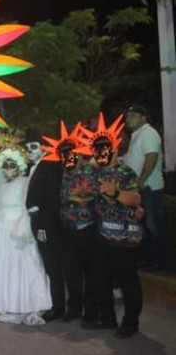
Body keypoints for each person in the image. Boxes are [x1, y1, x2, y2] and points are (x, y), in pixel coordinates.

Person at [0, 141, 52, 325]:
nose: (8, 169)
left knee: (18, 270)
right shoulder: (0, 186)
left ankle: (19, 303)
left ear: (19, 166)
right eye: (5, 166)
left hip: (16, 232)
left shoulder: (25, 183)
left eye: (12, 165)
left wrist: (23, 227)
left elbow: (27, 207)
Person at [82, 113, 144, 338]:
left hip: (125, 238)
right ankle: (108, 318)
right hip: (103, 235)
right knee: (98, 278)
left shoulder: (125, 172)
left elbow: (136, 199)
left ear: (114, 148)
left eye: (104, 147)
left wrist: (115, 192)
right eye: (96, 149)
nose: (99, 152)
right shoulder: (96, 173)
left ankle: (130, 323)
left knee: (128, 281)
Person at [42, 122, 99, 325]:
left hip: (88, 230)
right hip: (68, 232)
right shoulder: (64, 177)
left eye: (71, 153)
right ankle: (74, 308)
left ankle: (91, 313)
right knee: (72, 274)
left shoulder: (90, 173)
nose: (68, 158)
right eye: (64, 155)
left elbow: (93, 198)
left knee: (90, 275)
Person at [22, 127, 66, 322]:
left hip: (47, 225)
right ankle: (54, 303)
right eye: (27, 148)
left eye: (33, 146)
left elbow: (52, 200)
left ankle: (58, 307)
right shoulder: (37, 166)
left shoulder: (50, 166)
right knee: (48, 265)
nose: (30, 150)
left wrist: (43, 227)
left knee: (53, 265)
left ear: (43, 148)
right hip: (39, 223)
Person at [123, 104, 167, 272]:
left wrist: (141, 181)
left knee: (153, 225)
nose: (129, 119)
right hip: (140, 188)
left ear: (143, 118)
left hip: (149, 187)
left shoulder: (149, 134)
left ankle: (158, 262)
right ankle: (148, 260)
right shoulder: (137, 135)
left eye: (133, 116)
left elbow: (151, 158)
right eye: (128, 116)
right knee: (145, 226)